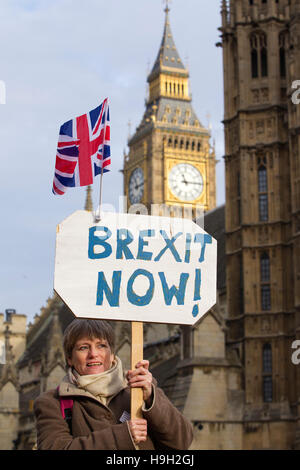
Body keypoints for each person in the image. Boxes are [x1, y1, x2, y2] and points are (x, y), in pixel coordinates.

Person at [34, 318, 193, 450]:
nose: (93, 354)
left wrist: (152, 397)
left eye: (101, 345)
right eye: (83, 348)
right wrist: (123, 436)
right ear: (69, 358)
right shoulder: (52, 402)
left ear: (112, 354)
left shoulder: (137, 390)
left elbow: (182, 442)